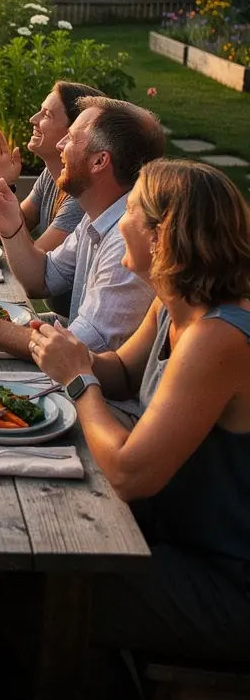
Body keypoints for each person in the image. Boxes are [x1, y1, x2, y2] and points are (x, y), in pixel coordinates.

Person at [30, 159, 250, 659]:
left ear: (160, 235)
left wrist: (78, 379)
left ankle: (87, 697)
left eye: (129, 209)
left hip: (225, 579)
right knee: (42, 546)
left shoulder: (218, 337)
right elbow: (125, 373)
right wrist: (75, 354)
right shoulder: (176, 302)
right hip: (174, 533)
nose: (119, 221)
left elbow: (129, 474)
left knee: (47, 583)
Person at [0, 97, 165, 376]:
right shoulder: (99, 216)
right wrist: (12, 228)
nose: (60, 145)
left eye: (72, 138)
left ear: (100, 161)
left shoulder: (128, 241)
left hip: (94, 392)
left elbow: (74, 351)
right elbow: (42, 279)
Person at [0, 82, 103, 315]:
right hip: (62, 320)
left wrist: (11, 226)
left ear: (74, 133)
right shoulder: (50, 176)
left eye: (46, 115)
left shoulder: (81, 202)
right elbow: (1, 233)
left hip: (72, 325)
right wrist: (4, 185)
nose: (33, 119)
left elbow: (33, 264)